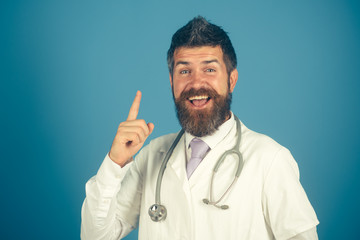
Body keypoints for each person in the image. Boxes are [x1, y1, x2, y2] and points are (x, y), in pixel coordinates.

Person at [81, 16, 319, 240]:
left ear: (232, 80)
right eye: (184, 71)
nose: (196, 83)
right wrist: (115, 163)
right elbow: (96, 236)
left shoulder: (270, 159)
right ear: (172, 81)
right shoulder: (152, 155)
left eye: (209, 69)